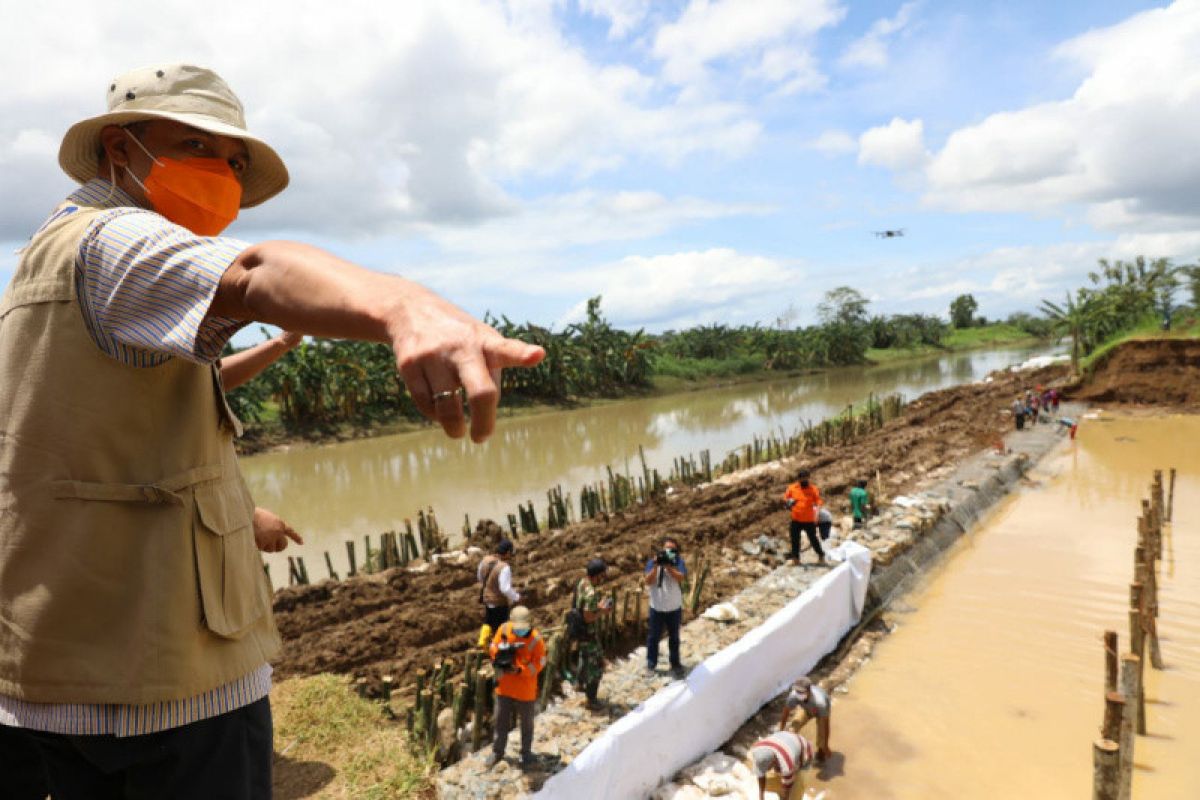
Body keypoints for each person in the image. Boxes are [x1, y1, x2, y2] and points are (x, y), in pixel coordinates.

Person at [0, 64, 544, 800]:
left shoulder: (49, 264)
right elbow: (258, 268)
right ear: (118, 150)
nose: (219, 172)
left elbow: (113, 426)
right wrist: (403, 308)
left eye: (231, 161)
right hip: (162, 689)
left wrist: (235, 514)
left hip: (74, 670)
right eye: (192, 143)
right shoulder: (115, 241)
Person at [485, 606, 545, 771]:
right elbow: (493, 647)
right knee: (500, 721)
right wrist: (498, 657)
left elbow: (539, 663)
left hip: (525, 690)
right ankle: (497, 752)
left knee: (526, 723)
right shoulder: (503, 630)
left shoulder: (536, 639)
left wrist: (520, 670)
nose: (520, 632)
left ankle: (526, 754)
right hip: (504, 687)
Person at [570, 558, 613, 709]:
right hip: (587, 632)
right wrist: (602, 610)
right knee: (595, 666)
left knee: (584, 656)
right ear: (597, 575)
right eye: (602, 575)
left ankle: (579, 683)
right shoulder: (591, 592)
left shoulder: (581, 582)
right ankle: (592, 699)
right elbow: (588, 617)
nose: (603, 578)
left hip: (578, 631)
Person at [644, 538, 688, 678]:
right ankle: (651, 664)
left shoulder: (678, 562)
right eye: (666, 549)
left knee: (674, 637)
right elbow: (648, 580)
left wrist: (669, 567)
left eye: (672, 550)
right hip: (657, 607)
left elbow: (681, 578)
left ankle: (675, 664)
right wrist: (657, 565)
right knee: (653, 638)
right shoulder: (653, 563)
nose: (669, 552)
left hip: (673, 607)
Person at [778, 677, 833, 763]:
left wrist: (826, 745)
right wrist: (781, 730)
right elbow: (785, 713)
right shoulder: (793, 696)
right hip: (806, 709)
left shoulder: (820, 702)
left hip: (820, 711)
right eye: (797, 691)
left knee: (822, 741)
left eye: (801, 692)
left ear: (809, 691)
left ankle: (821, 753)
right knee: (791, 729)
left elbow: (826, 725)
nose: (798, 694)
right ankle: (792, 754)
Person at [748, 729, 814, 800]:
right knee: (773, 781)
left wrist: (785, 796)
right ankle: (780, 791)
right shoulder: (757, 749)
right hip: (785, 741)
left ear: (772, 762)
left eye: (766, 767)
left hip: (804, 754)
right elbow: (761, 774)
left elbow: (787, 790)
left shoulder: (787, 765)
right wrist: (761, 796)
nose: (764, 770)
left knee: (795, 792)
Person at [782, 469, 824, 565]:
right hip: (796, 519)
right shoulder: (792, 488)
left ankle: (821, 555)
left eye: (806, 478)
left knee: (813, 539)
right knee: (795, 539)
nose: (804, 480)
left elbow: (818, 501)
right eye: (802, 478)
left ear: (808, 478)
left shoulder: (813, 489)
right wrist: (788, 502)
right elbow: (785, 498)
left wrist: (817, 513)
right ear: (799, 478)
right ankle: (796, 560)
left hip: (808, 520)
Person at [478, 539, 520, 630]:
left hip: (487, 600)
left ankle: (484, 642)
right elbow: (505, 589)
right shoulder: (504, 567)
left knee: (489, 624)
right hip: (499, 604)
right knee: (502, 629)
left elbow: (480, 577)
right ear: (508, 552)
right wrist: (516, 597)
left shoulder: (485, 560)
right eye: (510, 552)